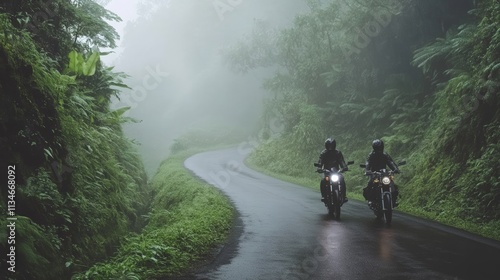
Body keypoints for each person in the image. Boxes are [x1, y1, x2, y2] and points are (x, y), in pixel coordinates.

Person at [363, 139, 400, 206]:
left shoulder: (385, 155)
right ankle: (371, 200)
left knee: (392, 184)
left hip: (384, 173)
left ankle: (394, 199)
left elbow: (390, 162)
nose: (378, 149)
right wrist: (367, 170)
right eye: (377, 148)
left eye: (379, 148)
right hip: (374, 174)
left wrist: (395, 169)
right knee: (370, 184)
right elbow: (368, 163)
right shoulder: (371, 155)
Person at [317, 138, 349, 203]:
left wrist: (344, 167)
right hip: (327, 172)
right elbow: (320, 162)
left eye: (332, 145)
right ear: (326, 146)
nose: (330, 147)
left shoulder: (338, 153)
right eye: (329, 146)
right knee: (323, 181)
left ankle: (343, 195)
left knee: (342, 179)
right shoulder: (323, 153)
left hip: (336, 171)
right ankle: (323, 195)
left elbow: (341, 161)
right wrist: (319, 168)